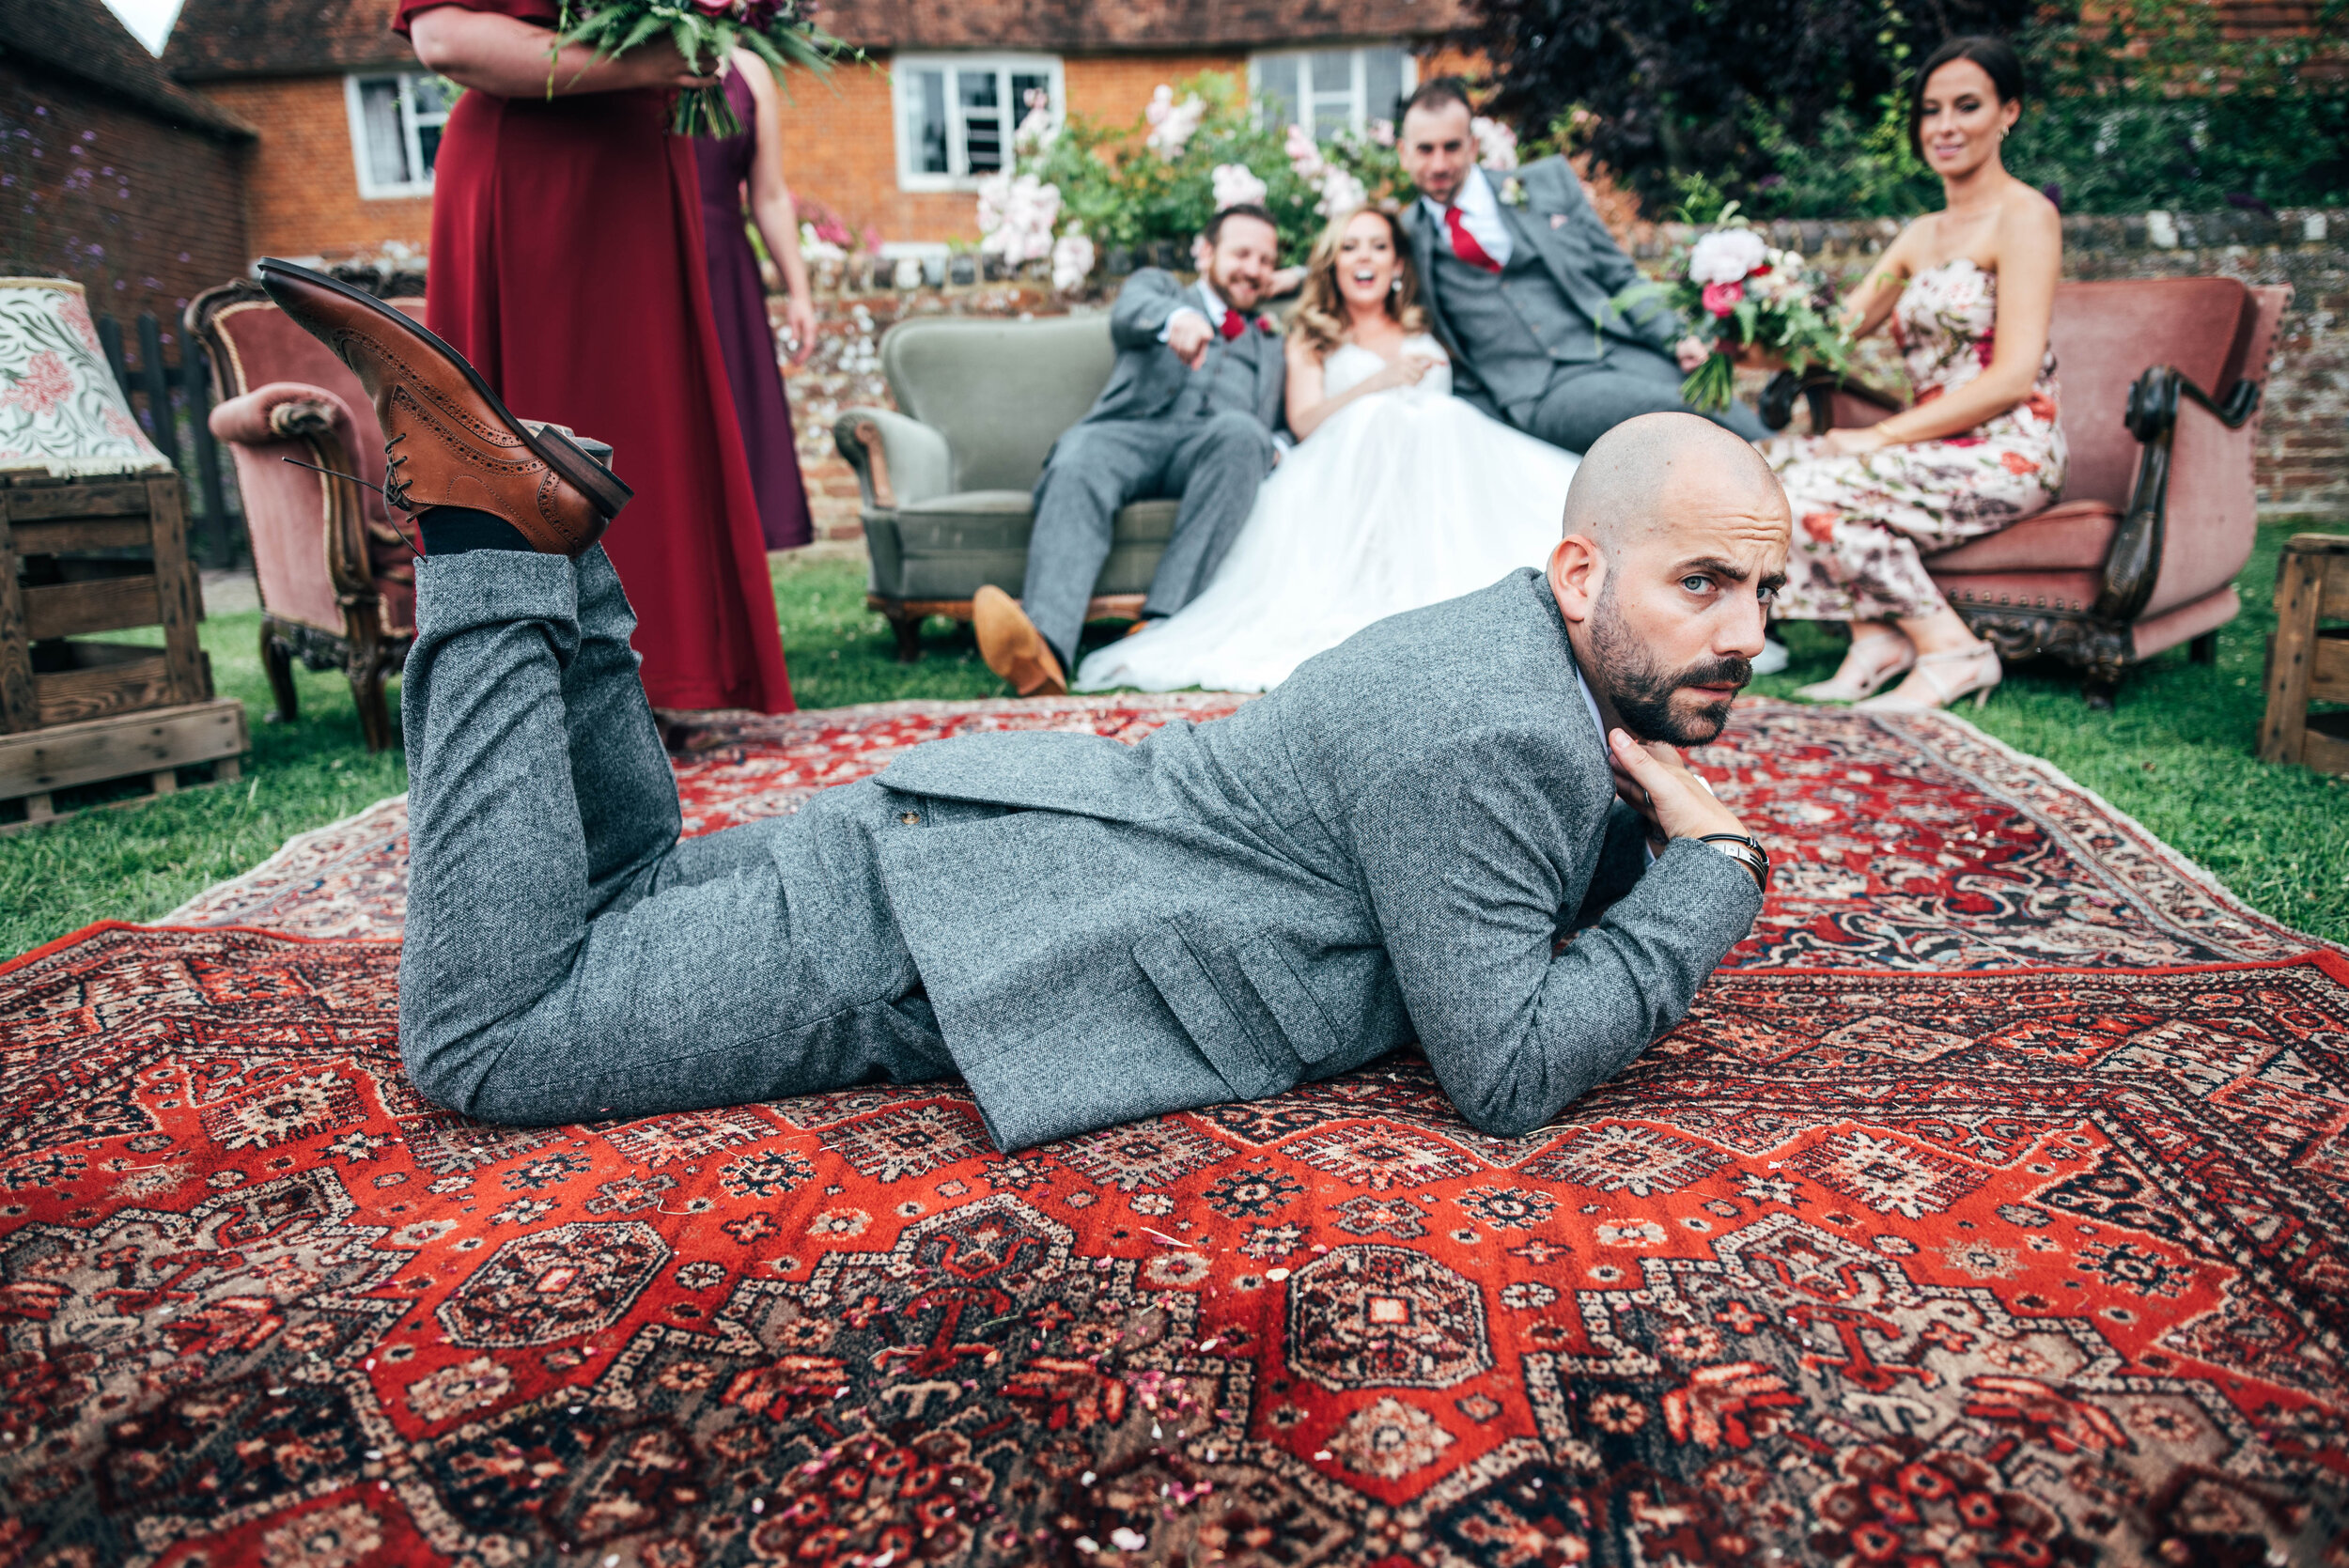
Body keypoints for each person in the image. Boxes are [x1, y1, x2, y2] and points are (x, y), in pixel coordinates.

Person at [257, 255, 1790, 1151]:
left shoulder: (1520, 650)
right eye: (1705, 583)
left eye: (1765, 595)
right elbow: (1507, 1069)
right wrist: (1715, 870)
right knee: (489, 1036)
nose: (1749, 634)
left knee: (626, 889)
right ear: (1580, 569)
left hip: (968, 843)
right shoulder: (1498, 725)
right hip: (953, 933)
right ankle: (487, 540)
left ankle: (570, 564)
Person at [399, 1, 794, 715]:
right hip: (535, 180)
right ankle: (523, 681)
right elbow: (443, 35)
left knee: (653, 436)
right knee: (531, 434)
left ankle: (664, 679)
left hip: (640, 179)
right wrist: (648, 61)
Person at [1075, 205, 1579, 694]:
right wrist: (1377, 384)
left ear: (1397, 263)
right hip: (1346, 489)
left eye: (1378, 247)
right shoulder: (1312, 337)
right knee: (1379, 417)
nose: (1365, 258)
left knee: (1455, 427)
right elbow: (1304, 422)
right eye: (1349, 248)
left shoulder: (1423, 329)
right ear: (1333, 263)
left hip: (1439, 498)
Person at [1767, 35, 2066, 712]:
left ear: (2008, 112)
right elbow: (1828, 340)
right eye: (1932, 110)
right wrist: (1735, 341)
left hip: (2011, 447)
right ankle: (1879, 638)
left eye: (1967, 106)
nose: (1946, 126)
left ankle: (1954, 649)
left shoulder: (2027, 217)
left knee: (1810, 481)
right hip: (1933, 449)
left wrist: (1881, 436)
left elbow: (2015, 375)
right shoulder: (1920, 235)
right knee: (1766, 468)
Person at [972, 206, 1289, 698]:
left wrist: (1279, 446)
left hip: (1213, 449)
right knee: (1079, 455)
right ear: (1206, 253)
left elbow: (1286, 422)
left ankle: (1160, 627)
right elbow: (1131, 310)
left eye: (1267, 260)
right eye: (1242, 253)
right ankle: (1045, 652)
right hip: (1130, 432)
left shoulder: (1273, 340)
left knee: (1246, 434)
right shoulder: (1161, 289)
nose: (1254, 268)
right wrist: (1178, 318)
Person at [1395, 79, 1769, 458]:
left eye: (1451, 147)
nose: (1439, 164)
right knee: (1677, 414)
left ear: (1473, 146)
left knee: (1710, 398)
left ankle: (1793, 471)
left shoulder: (1544, 184)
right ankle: (1781, 469)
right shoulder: (1402, 236)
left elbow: (1618, 275)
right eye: (1425, 150)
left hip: (1615, 350)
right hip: (1540, 390)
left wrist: (1675, 337)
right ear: (1403, 153)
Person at [697, 51, 819, 551]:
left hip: (727, 274)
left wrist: (799, 291)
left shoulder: (751, 73)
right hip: (647, 261)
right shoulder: (630, 52)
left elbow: (768, 195)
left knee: (738, 436)